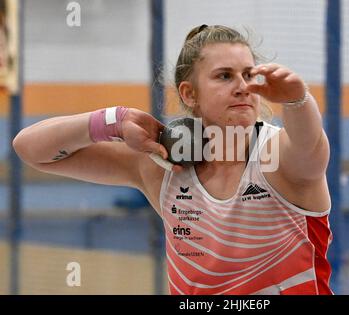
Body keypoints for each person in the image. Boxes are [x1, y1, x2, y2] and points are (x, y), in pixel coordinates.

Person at [12, 24, 332, 295]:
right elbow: (30, 149)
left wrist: (297, 99)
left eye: (249, 74)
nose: (242, 87)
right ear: (190, 94)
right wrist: (113, 120)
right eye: (224, 76)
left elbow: (311, 148)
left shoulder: (279, 158)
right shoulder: (162, 166)